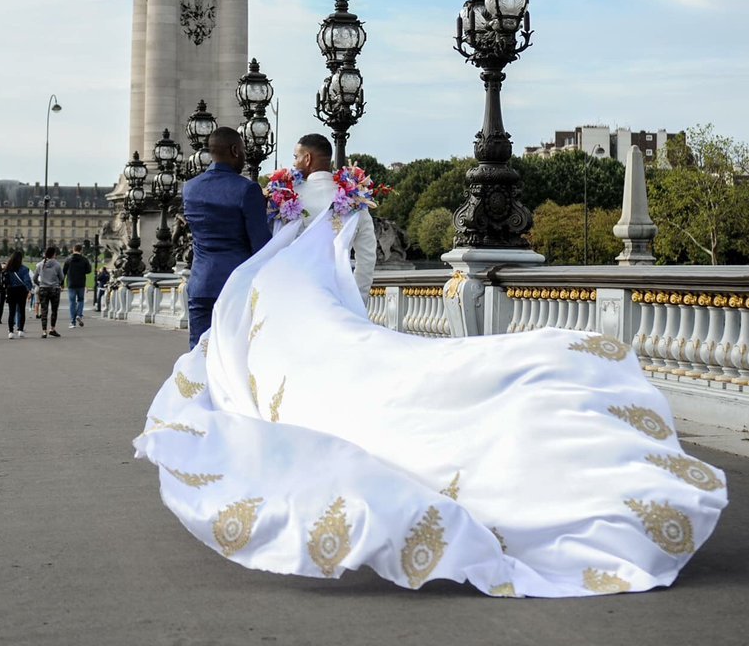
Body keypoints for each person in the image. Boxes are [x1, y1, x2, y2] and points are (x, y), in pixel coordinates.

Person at [134, 143, 727, 598]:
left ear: (307, 160)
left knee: (302, 384)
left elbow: (268, 247)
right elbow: (363, 257)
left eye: (295, 154)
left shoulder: (279, 196)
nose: (290, 160)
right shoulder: (347, 197)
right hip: (327, 305)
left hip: (277, 299)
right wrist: (352, 306)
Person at [181, 127, 271, 350]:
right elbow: (261, 246)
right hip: (236, 286)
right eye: (242, 150)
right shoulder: (247, 190)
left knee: (200, 353)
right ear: (234, 151)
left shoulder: (190, 188)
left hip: (200, 284)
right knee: (233, 355)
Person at [292, 134, 377, 304]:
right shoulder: (356, 199)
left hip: (298, 294)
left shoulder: (290, 196)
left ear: (307, 158)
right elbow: (367, 258)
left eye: (296, 157)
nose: (294, 163)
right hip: (339, 297)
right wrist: (356, 301)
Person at [33, 246, 64, 339]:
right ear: (54, 254)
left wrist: (40, 284)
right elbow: (62, 278)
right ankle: (52, 329)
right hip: (54, 289)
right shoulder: (57, 265)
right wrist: (58, 283)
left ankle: (44, 331)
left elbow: (34, 278)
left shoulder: (40, 264)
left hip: (43, 289)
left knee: (44, 310)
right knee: (54, 310)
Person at [4, 250, 31, 339]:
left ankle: (11, 331)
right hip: (21, 290)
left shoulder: (8, 269)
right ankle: (20, 330)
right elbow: (27, 280)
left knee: (11, 312)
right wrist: (29, 290)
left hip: (11, 290)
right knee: (21, 310)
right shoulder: (24, 269)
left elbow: (6, 281)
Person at [63, 243, 92, 329]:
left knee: (72, 302)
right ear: (81, 250)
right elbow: (88, 270)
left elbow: (63, 272)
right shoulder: (84, 259)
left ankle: (73, 322)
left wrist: (61, 283)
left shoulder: (68, 259)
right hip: (81, 283)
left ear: (73, 249)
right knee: (80, 300)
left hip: (71, 283)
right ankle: (79, 314)